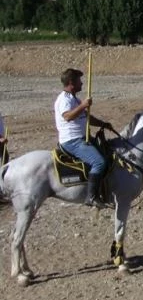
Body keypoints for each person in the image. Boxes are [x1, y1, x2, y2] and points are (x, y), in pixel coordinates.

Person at [54, 68, 113, 208]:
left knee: (109, 151)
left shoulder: (75, 99)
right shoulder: (64, 99)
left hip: (81, 137)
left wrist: (103, 124)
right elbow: (68, 116)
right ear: (71, 83)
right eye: (79, 80)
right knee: (98, 162)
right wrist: (83, 105)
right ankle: (91, 197)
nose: (82, 83)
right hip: (71, 140)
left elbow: (87, 117)